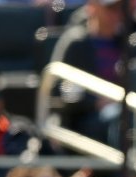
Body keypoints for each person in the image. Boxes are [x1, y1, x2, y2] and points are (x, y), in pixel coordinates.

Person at [49, 0, 125, 145]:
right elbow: (59, 91)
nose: (116, 14)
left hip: (123, 108)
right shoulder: (76, 43)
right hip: (84, 120)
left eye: (119, 8)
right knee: (118, 117)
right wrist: (96, 102)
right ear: (92, 7)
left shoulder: (126, 42)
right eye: (110, 8)